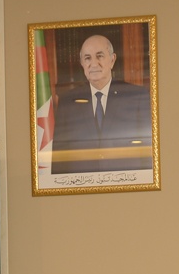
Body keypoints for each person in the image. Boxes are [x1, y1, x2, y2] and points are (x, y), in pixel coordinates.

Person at [50, 34, 152, 175]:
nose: (93, 63)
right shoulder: (68, 102)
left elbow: (148, 152)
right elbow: (60, 158)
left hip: (125, 182)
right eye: (87, 58)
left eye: (100, 56)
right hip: (81, 184)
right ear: (82, 63)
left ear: (112, 60)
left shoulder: (136, 96)